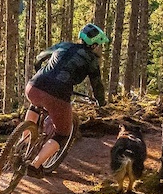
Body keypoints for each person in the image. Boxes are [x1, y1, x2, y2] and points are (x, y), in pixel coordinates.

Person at [24, 23, 109, 178]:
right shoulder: (92, 61)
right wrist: (101, 102)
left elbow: (39, 58)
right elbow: (97, 85)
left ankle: (23, 142)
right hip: (58, 94)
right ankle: (35, 164)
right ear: (95, 44)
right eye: (99, 45)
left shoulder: (63, 45)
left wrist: (40, 73)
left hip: (34, 86)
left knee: (35, 104)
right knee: (63, 133)